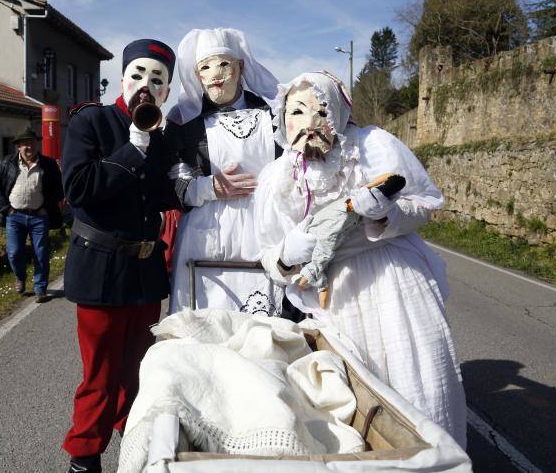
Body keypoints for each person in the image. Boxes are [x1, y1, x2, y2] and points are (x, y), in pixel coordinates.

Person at [253, 71, 467, 447]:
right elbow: (269, 254)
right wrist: (289, 254)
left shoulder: (375, 145)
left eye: (321, 112)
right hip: (333, 298)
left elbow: (425, 204)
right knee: (352, 406)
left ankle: (432, 461)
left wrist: (385, 214)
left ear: (337, 111)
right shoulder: (275, 177)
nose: (309, 124)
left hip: (394, 282)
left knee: (416, 386)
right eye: (297, 112)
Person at [60, 38, 179, 473]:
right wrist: (132, 150)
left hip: (145, 272)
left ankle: (136, 446)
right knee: (101, 373)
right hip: (101, 268)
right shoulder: (91, 122)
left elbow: (167, 193)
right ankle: (84, 455)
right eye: (139, 76)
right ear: (124, 79)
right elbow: (77, 190)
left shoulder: (162, 135)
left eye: (158, 80)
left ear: (166, 91)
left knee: (141, 369)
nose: (146, 86)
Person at [165, 28, 282, 316]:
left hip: (264, 229)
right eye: (205, 67)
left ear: (240, 67)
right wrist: (207, 188)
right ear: (197, 75)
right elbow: (170, 180)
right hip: (206, 238)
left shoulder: (272, 114)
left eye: (223, 64)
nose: (215, 74)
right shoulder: (183, 121)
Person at [0, 125, 63, 303]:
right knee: (14, 252)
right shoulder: (6, 163)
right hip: (14, 217)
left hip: (39, 216)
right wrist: (7, 209)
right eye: (24, 144)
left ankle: (40, 288)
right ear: (18, 147)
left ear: (37, 144)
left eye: (32, 143)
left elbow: (60, 189)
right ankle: (20, 277)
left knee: (41, 252)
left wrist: (46, 207)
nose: (28, 147)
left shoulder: (48, 164)